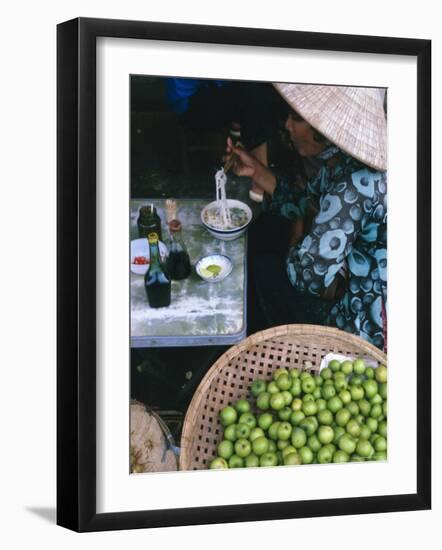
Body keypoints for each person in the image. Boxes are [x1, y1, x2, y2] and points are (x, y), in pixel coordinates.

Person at [226, 84, 387, 351]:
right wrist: (255, 171)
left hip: (362, 317)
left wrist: (297, 237)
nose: (287, 126)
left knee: (263, 270)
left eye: (297, 119)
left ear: (324, 129)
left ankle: (284, 351)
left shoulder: (353, 186)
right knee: (266, 239)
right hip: (344, 276)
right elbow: (304, 204)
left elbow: (310, 278)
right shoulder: (339, 161)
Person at [165, 78, 288, 199]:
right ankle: (260, 178)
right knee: (255, 93)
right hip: (189, 103)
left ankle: (241, 128)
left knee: (261, 90)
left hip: (211, 88)